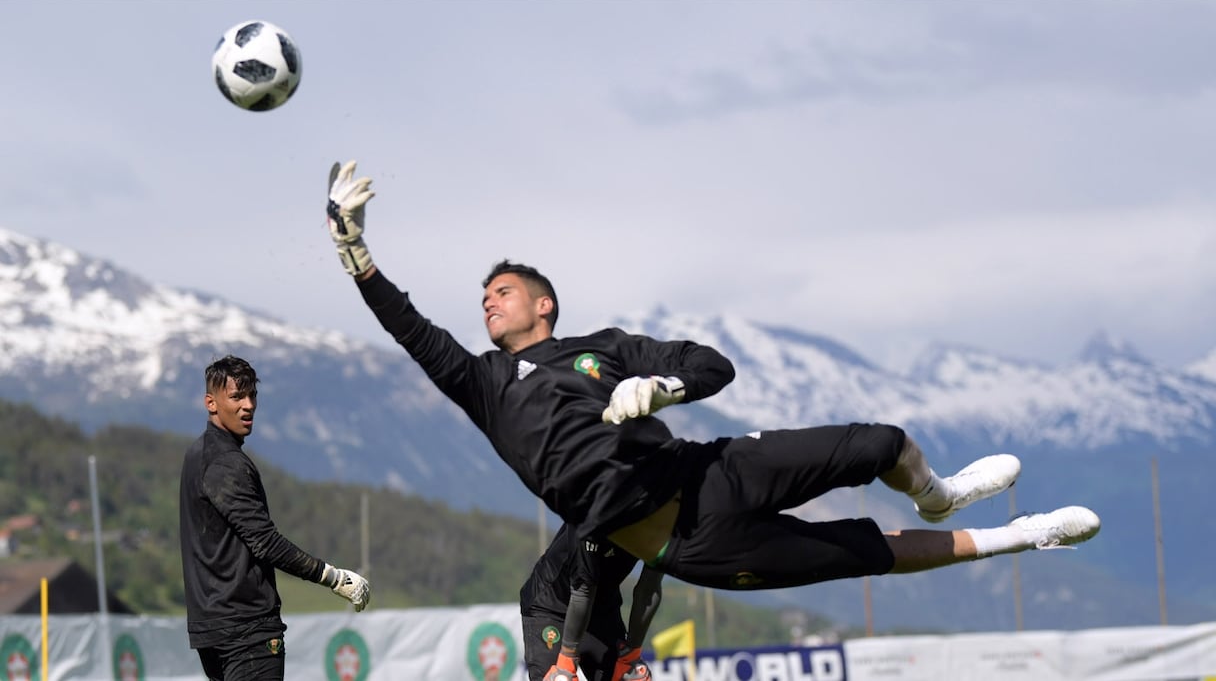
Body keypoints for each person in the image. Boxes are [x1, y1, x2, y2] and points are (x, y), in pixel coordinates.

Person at [322, 159, 1099, 599]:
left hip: (711, 470)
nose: (487, 301)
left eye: (503, 291)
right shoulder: (483, 382)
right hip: (689, 545)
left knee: (883, 442)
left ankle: (941, 488)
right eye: (483, 296)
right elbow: (409, 327)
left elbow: (712, 365)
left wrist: (662, 390)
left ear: (544, 303)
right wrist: (356, 252)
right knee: (870, 550)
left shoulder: (606, 346)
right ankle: (1021, 536)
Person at [179, 355, 371, 680]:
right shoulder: (227, 463)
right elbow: (265, 542)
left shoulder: (196, 455)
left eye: (252, 395)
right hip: (247, 629)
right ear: (211, 403)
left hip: (211, 627)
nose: (249, 405)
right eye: (237, 396)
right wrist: (333, 577)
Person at [521, 523, 660, 681]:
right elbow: (583, 589)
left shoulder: (665, 517)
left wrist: (631, 656)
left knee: (631, 676)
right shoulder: (592, 513)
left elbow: (649, 590)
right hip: (551, 607)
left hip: (602, 610)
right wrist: (566, 661)